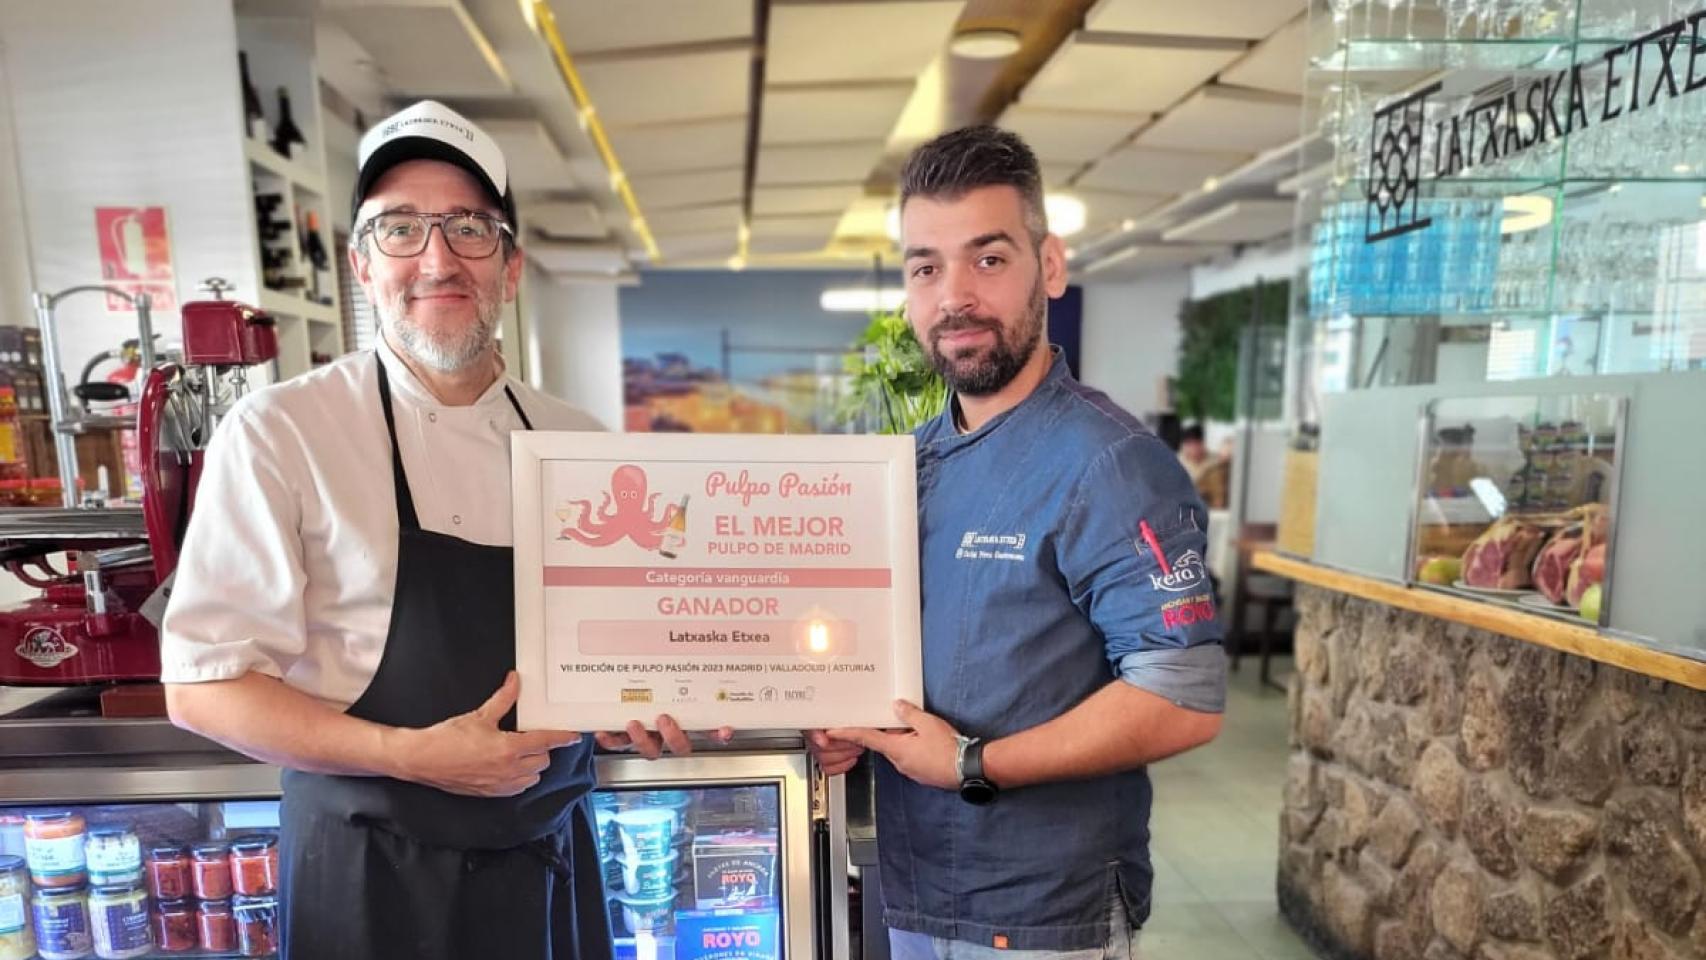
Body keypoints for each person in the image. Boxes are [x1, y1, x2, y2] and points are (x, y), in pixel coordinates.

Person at [160, 100, 715, 960]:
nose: (437, 257)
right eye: (400, 229)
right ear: (359, 262)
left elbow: (600, 658)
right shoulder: (283, 432)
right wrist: (410, 754)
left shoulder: (576, 444)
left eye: (469, 227)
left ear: (511, 266)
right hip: (367, 878)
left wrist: (623, 705)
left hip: (547, 867)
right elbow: (203, 687)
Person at [809, 126, 1228, 959]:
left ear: (1052, 266)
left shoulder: (1111, 465)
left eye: (989, 259)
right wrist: (853, 723)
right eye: (926, 266)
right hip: (914, 889)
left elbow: (1185, 698)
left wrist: (973, 761)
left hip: (1040, 913)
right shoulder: (911, 464)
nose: (954, 295)